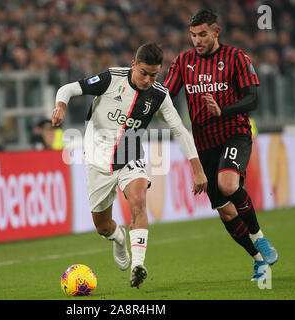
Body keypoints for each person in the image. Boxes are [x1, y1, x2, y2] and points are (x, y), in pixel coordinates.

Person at [52, 43, 208, 288]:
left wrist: (197, 168)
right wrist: (61, 105)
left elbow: (179, 129)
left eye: (153, 74)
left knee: (138, 201)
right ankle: (119, 239)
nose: (147, 79)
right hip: (96, 157)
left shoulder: (159, 95)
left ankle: (138, 265)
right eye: (143, 72)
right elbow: (68, 88)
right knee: (103, 227)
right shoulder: (111, 78)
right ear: (134, 65)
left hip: (130, 153)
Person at [163, 9, 278, 281]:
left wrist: (222, 110)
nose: (197, 40)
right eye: (192, 35)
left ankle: (260, 237)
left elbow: (252, 99)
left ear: (216, 32)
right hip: (203, 145)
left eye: (202, 34)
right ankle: (258, 259)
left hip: (234, 133)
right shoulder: (183, 62)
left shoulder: (236, 58)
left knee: (228, 185)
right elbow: (165, 96)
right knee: (226, 212)